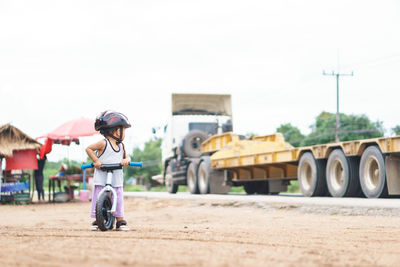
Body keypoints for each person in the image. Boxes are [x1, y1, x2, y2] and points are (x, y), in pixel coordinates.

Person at [85, 111, 131, 231]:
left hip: (116, 176)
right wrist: (96, 161)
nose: (124, 133)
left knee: (118, 196)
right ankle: (97, 218)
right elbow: (89, 149)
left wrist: (126, 160)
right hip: (102, 175)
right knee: (99, 195)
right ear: (116, 130)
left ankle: (120, 220)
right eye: (123, 130)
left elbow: (127, 157)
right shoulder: (103, 143)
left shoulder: (121, 146)